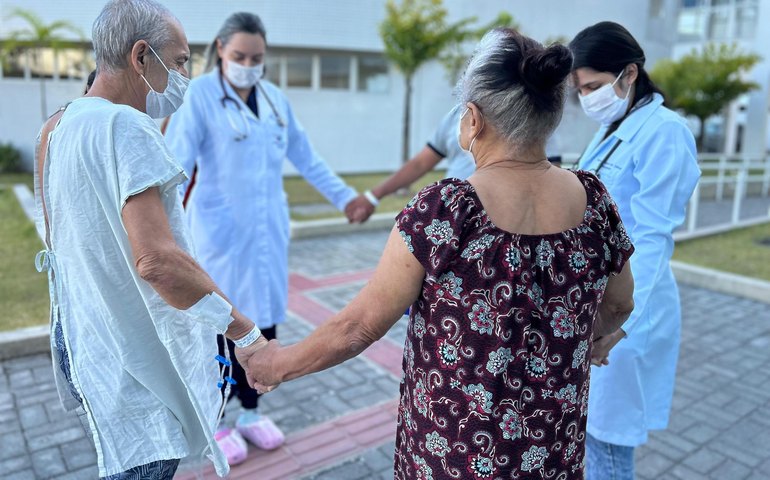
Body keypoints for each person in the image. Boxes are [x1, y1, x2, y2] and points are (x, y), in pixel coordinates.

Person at [246, 28, 636, 479]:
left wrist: (276, 364)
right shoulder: (594, 200)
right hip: (550, 452)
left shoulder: (446, 211)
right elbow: (620, 303)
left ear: (472, 119)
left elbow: (357, 328)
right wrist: (586, 340)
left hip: (453, 453)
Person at [33, 1, 268, 478]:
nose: (184, 74)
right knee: (142, 459)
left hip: (80, 338)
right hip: (131, 355)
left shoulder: (55, 127)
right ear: (141, 57)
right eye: (179, 61)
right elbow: (157, 261)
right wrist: (244, 332)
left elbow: (64, 242)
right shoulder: (126, 126)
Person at [163, 12, 362, 463]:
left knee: (263, 324)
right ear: (219, 50)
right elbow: (175, 168)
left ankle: (251, 413)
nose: (249, 65)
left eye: (256, 57)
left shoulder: (274, 101)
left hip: (267, 234)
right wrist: (161, 232)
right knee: (220, 327)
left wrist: (347, 198)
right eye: (239, 56)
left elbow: (308, 159)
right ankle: (216, 419)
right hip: (217, 235)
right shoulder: (199, 97)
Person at [569, 21, 701, 480]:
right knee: (590, 434)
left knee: (607, 444)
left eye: (594, 86)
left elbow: (652, 237)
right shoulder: (612, 126)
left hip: (629, 308)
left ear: (629, 73)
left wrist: (619, 322)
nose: (587, 97)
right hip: (598, 300)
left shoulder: (665, 131)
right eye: (580, 89)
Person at [347, 107, 563, 222]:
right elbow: (421, 162)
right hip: (451, 222)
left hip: (506, 224)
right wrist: (373, 196)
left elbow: (548, 178)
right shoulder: (455, 115)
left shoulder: (532, 119)